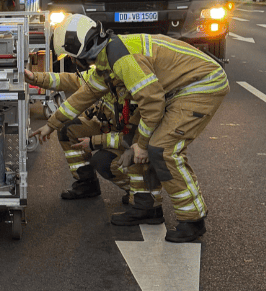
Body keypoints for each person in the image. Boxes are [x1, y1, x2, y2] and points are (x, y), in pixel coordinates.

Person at [33, 14, 229, 243]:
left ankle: (193, 221)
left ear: (81, 55)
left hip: (201, 85)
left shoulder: (122, 59)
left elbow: (153, 103)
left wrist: (142, 145)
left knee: (163, 150)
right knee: (145, 145)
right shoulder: (109, 57)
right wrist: (51, 125)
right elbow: (84, 95)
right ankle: (148, 208)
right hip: (183, 87)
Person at [23, 68, 142, 205]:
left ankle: (140, 193)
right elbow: (68, 80)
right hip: (110, 128)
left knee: (105, 162)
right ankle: (87, 184)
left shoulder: (135, 87)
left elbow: (134, 139)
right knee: (67, 129)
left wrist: (94, 142)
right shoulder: (102, 73)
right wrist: (35, 78)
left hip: (134, 142)